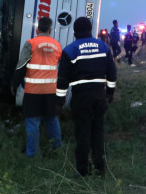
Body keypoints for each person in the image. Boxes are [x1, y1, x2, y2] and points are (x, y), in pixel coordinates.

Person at [56, 17, 117, 177]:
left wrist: (59, 102)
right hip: (99, 95)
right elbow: (112, 73)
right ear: (91, 30)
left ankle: (83, 170)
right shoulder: (103, 47)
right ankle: (100, 168)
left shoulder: (70, 50)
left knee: (82, 133)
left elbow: (62, 80)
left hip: (81, 98)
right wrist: (110, 92)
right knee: (98, 131)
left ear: (75, 32)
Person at [12, 17, 63, 158]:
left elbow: (21, 66)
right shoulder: (57, 46)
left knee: (33, 121)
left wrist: (14, 84)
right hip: (50, 90)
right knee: (52, 118)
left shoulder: (31, 44)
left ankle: (32, 154)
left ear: (37, 29)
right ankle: (57, 148)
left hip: (33, 90)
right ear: (50, 30)